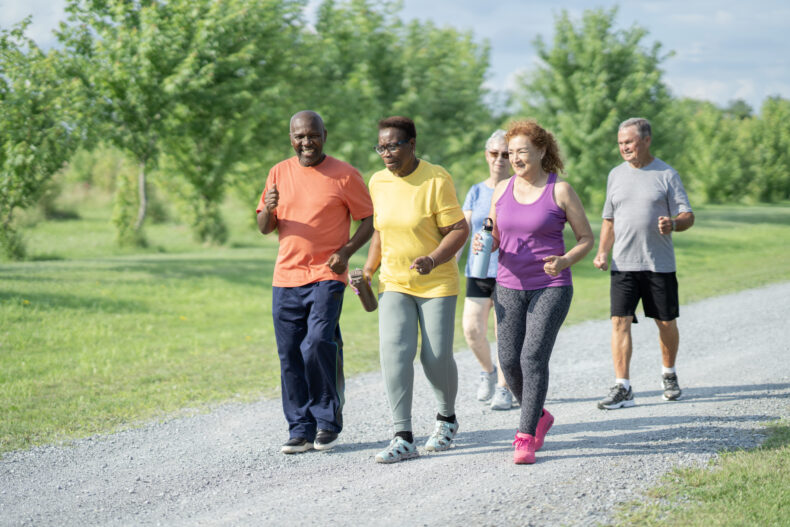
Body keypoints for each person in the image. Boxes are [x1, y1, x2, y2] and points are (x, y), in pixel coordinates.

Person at [475, 119, 593, 464]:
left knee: (532, 358)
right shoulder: (501, 190)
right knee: (509, 361)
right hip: (508, 286)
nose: (515, 158)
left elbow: (586, 238)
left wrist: (565, 260)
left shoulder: (561, 190)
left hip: (550, 286)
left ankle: (525, 435)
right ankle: (539, 415)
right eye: (511, 152)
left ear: (541, 151)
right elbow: (494, 235)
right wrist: (486, 242)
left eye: (522, 151)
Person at [256, 110, 374, 454]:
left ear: (324, 135)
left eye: (312, 135)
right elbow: (265, 227)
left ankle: (326, 421)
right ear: (291, 139)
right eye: (299, 136)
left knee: (318, 342)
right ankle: (299, 428)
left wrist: (346, 251)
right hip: (286, 277)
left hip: (326, 273)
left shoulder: (345, 174)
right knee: (290, 353)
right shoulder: (278, 172)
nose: (306, 142)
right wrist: (269, 209)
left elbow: (368, 220)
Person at [363, 116, 469, 464]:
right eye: (381, 147)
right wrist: (368, 270)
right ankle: (403, 436)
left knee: (435, 357)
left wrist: (433, 259)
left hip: (436, 281)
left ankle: (446, 419)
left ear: (411, 144)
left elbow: (459, 229)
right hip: (395, 280)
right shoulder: (377, 181)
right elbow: (380, 231)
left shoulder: (436, 179)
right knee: (395, 352)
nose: (386, 153)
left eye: (393, 146)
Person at [593, 117, 694, 410]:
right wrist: (602, 252)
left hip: (658, 264)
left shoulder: (667, 174)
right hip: (623, 263)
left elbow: (688, 215)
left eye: (629, 142)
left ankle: (669, 374)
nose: (624, 147)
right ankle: (622, 386)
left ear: (646, 140)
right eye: (620, 143)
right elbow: (609, 219)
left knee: (665, 322)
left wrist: (674, 224)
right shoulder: (615, 175)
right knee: (619, 321)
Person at [460, 129, 515, 410]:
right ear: (487, 155)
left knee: (504, 334)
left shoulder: (519, 188)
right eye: (495, 153)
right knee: (471, 329)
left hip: (509, 272)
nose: (500, 159)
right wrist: (449, 261)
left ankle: (505, 388)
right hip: (479, 270)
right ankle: (488, 371)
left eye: (506, 154)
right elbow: (462, 231)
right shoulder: (476, 191)